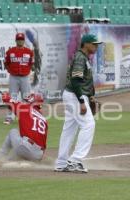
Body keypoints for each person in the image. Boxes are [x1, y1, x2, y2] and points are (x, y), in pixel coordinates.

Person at [54, 34, 102, 173]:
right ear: (85, 44)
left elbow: (82, 81)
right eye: (94, 44)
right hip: (75, 96)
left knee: (69, 129)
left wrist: (90, 96)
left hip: (72, 95)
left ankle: (62, 163)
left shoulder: (83, 57)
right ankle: (75, 160)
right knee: (88, 124)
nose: (96, 46)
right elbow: (75, 81)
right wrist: (82, 100)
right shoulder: (81, 58)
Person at [0, 92, 48, 161]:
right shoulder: (44, 120)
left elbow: (8, 101)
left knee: (13, 131)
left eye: (27, 101)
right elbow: (43, 144)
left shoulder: (25, 108)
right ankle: (15, 158)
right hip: (38, 155)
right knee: (23, 138)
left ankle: (0, 157)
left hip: (26, 148)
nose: (26, 102)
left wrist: (5, 95)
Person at [3, 32, 34, 125]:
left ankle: (26, 117)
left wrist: (27, 71)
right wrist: (10, 71)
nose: (20, 41)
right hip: (14, 77)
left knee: (26, 98)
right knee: (12, 98)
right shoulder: (10, 51)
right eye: (18, 39)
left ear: (24, 41)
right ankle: (9, 117)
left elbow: (31, 64)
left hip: (25, 77)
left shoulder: (29, 52)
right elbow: (6, 63)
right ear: (16, 40)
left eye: (21, 40)